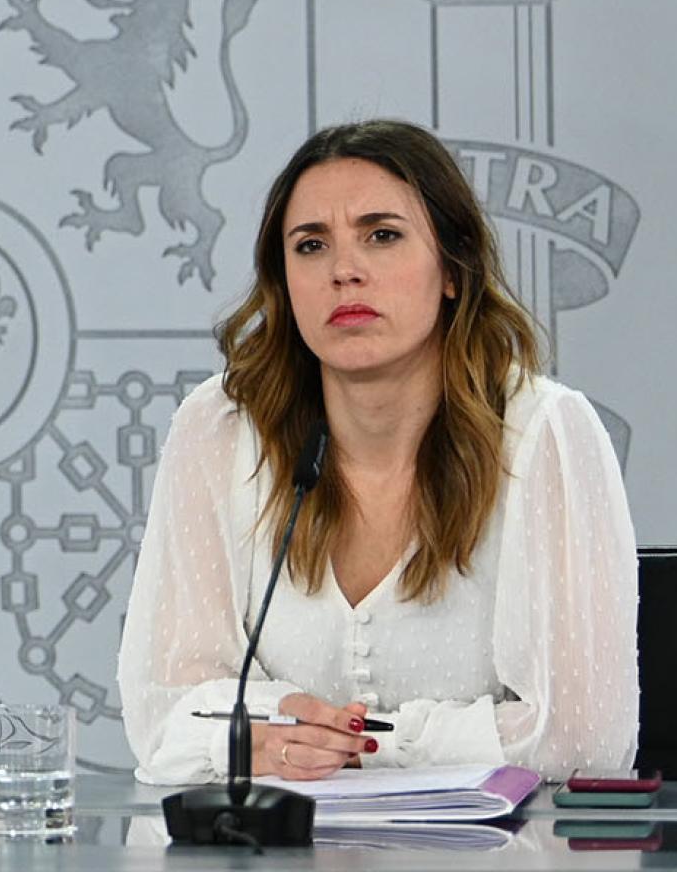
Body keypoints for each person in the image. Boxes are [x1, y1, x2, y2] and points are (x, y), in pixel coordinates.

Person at [117, 119, 637, 784]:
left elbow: (581, 742)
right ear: (285, 282)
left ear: (452, 270)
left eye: (382, 236)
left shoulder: (545, 434)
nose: (344, 271)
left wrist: (339, 741)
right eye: (310, 246)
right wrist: (264, 740)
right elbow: (164, 715)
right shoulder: (219, 429)